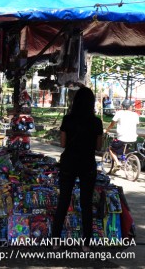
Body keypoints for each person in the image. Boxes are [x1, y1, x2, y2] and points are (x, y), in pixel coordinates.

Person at [51, 87, 103, 252]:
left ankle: (55, 241)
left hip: (69, 163)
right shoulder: (96, 122)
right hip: (87, 164)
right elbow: (99, 146)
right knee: (86, 204)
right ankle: (86, 243)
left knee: (63, 201)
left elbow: (63, 144)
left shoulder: (67, 119)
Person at [105, 99, 139, 170]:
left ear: (122, 106)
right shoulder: (135, 114)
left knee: (111, 148)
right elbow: (136, 124)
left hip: (122, 138)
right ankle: (125, 159)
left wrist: (107, 130)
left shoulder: (119, 113)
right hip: (133, 138)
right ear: (130, 107)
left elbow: (112, 124)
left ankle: (117, 163)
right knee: (124, 148)